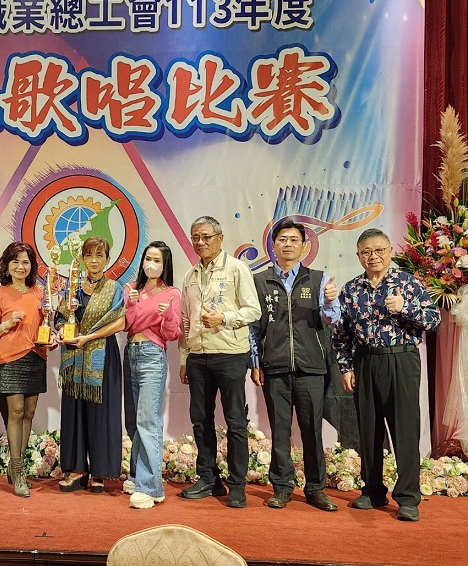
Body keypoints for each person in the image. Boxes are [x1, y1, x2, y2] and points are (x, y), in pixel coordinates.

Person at [333, 228, 440, 522]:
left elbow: (434, 320)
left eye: (379, 250)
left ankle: (407, 497)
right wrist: (346, 367)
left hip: (401, 359)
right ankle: (372, 491)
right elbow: (341, 334)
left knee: (405, 429)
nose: (373, 256)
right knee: (368, 430)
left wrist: (406, 308)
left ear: (390, 252)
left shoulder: (407, 282)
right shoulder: (351, 289)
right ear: (358, 255)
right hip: (365, 361)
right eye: (366, 251)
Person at [250, 218, 340, 511]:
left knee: (312, 431)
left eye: (294, 240)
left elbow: (332, 319)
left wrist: (330, 301)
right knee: (279, 430)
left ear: (304, 246)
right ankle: (282, 487)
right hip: (274, 366)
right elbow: (254, 327)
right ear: (273, 246)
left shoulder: (318, 279)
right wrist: (255, 361)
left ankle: (316, 489)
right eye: (282, 240)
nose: (288, 245)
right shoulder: (260, 281)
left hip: (310, 367)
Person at [179, 216, 261, 508]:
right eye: (195, 237)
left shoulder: (237, 269)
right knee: (200, 420)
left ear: (220, 238)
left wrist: (223, 318)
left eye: (206, 237)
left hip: (230, 354)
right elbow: (186, 320)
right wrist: (184, 357)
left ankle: (237, 485)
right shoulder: (190, 275)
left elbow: (253, 311)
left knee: (235, 421)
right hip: (198, 356)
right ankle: (208, 478)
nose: (200, 242)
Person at [0, 242, 58, 497]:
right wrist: (7, 324)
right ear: (7, 266)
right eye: (15, 261)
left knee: (29, 412)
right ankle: (18, 471)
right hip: (10, 358)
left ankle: (16, 466)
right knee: (15, 411)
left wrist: (52, 337)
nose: (20, 266)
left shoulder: (40, 292)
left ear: (31, 266)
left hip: (36, 355)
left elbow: (47, 324)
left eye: (25, 262)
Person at [56, 236, 125, 493]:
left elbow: (120, 322)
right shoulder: (72, 287)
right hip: (74, 357)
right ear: (82, 258)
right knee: (74, 413)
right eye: (89, 255)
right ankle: (76, 470)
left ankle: (99, 471)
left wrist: (89, 337)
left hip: (102, 356)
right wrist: (61, 330)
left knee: (101, 413)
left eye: (99, 255)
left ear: (107, 259)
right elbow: (59, 317)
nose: (94, 261)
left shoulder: (114, 288)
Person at [123, 241, 181, 509]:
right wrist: (133, 306)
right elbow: (128, 325)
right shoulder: (132, 290)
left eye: (157, 260)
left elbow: (172, 333)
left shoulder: (171, 293)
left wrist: (166, 316)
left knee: (148, 420)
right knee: (133, 421)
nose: (151, 264)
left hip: (152, 355)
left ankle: (151, 487)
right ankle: (137, 475)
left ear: (165, 264)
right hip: (130, 354)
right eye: (148, 258)